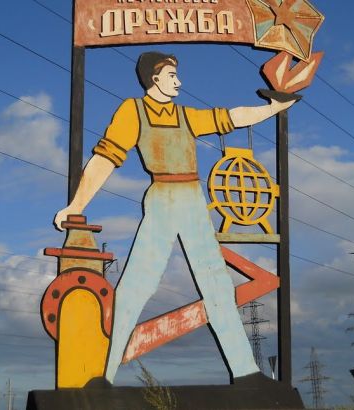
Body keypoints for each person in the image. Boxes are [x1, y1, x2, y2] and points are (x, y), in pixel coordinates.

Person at [54, 51, 296, 385]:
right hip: (162, 200)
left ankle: (246, 372)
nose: (179, 82)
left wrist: (272, 108)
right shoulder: (133, 111)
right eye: (171, 76)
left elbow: (232, 117)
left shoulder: (185, 116)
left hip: (192, 201)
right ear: (154, 79)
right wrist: (76, 204)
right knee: (136, 285)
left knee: (217, 284)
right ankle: (102, 375)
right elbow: (105, 159)